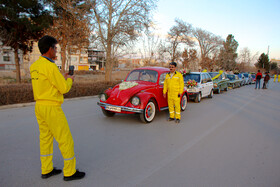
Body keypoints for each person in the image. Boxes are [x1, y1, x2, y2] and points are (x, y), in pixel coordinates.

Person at [30, 35, 85, 181]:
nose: (56, 51)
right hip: (52, 107)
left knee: (45, 139)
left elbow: (47, 82)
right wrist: (69, 79)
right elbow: (64, 88)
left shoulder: (35, 66)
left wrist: (62, 76)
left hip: (39, 106)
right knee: (65, 139)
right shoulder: (51, 66)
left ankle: (46, 169)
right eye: (55, 48)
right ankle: (70, 172)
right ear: (49, 49)